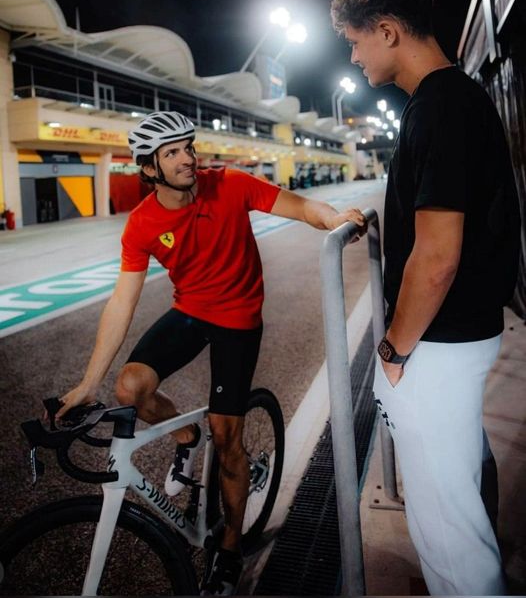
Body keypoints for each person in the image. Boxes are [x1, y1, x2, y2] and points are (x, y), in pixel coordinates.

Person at [56, 110, 366, 596]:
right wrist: (86, 383)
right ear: (149, 168)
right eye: (173, 153)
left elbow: (300, 206)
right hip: (191, 309)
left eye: (188, 147)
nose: (188, 159)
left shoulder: (231, 184)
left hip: (238, 318)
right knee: (130, 386)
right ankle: (184, 436)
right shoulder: (142, 224)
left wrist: (334, 218)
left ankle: (229, 547)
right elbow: (121, 303)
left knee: (228, 438)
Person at [331, 0, 520, 596]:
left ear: (387, 31)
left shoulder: (439, 107)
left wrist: (392, 350)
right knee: (458, 496)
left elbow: (437, 256)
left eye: (355, 41)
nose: (354, 57)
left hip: (438, 345)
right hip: (459, 337)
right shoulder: (454, 100)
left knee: (447, 528)